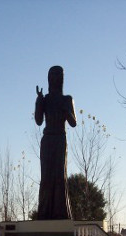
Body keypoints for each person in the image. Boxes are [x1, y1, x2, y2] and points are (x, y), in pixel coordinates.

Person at [35, 65, 77, 220]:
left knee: (59, 176)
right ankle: (44, 213)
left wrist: (65, 110)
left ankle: (60, 213)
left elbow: (73, 123)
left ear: (61, 79)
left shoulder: (67, 99)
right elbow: (39, 121)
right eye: (51, 76)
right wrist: (39, 101)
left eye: (57, 76)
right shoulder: (45, 99)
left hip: (60, 138)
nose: (54, 79)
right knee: (46, 176)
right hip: (47, 139)